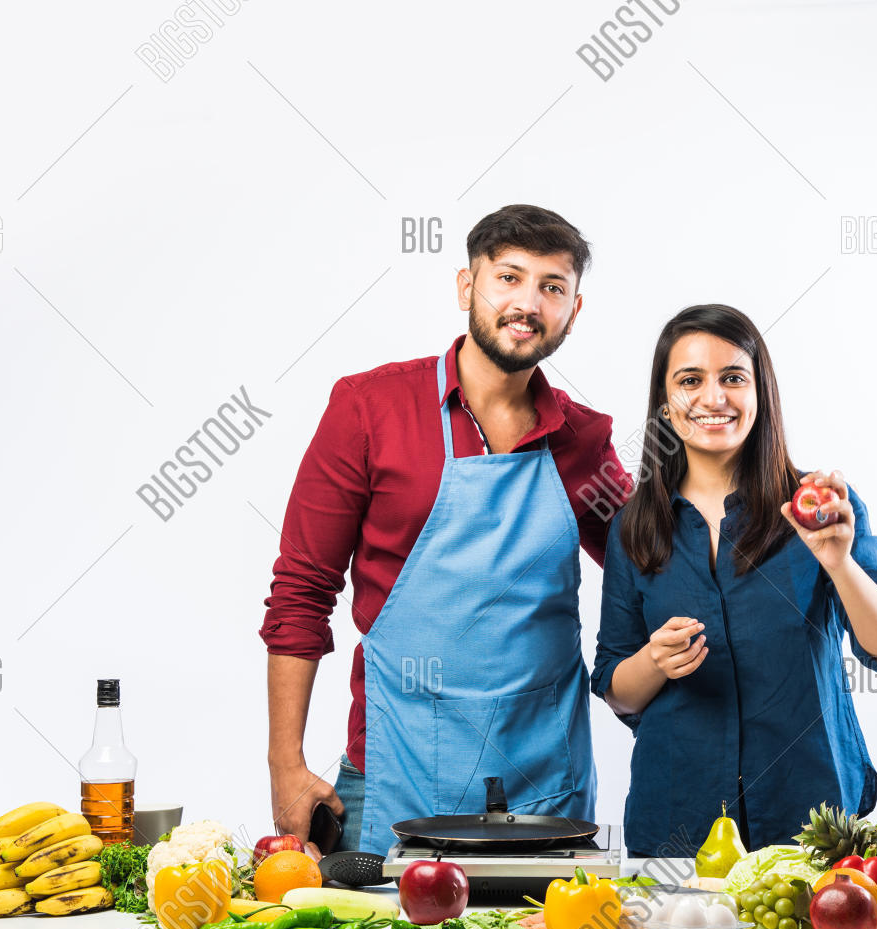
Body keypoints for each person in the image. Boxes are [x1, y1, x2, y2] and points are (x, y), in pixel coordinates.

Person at [261, 204, 631, 857]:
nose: (528, 302)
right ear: (467, 287)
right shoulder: (369, 409)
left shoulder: (583, 439)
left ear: (574, 310)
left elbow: (653, 569)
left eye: (552, 286)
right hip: (395, 784)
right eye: (509, 277)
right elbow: (301, 591)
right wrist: (285, 764)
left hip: (546, 796)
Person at [591, 304, 877, 858]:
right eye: (690, 380)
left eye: (733, 378)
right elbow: (617, 688)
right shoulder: (634, 526)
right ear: (666, 405)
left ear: (760, 393)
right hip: (676, 825)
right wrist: (653, 661)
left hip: (809, 818)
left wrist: (839, 562)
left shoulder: (820, 507)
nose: (714, 398)